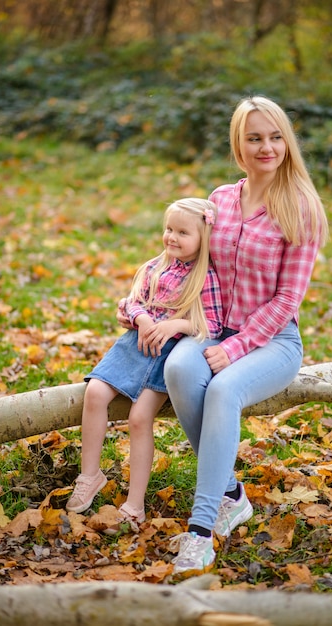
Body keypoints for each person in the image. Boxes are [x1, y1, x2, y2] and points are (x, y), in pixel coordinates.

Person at [165, 95, 329, 574]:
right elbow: (192, 267)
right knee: (178, 368)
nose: (267, 147)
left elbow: (287, 301)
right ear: (239, 143)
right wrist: (169, 314)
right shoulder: (219, 200)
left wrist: (235, 347)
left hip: (274, 342)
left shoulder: (301, 209)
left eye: (276, 137)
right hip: (214, 329)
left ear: (287, 142)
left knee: (222, 389)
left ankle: (199, 532)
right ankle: (232, 494)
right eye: (255, 137)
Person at [66, 198, 223, 529]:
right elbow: (128, 305)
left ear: (204, 238)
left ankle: (135, 504)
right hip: (135, 343)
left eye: (183, 232)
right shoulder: (155, 266)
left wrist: (175, 325)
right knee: (94, 393)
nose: (172, 237)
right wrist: (142, 318)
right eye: (169, 229)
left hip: (169, 354)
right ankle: (89, 475)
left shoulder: (205, 277)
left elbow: (214, 324)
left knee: (139, 418)